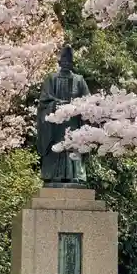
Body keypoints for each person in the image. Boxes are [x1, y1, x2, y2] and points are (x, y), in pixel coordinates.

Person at [36, 45, 89, 186]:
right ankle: (54, 175)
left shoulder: (79, 80)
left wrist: (78, 107)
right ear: (59, 62)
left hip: (74, 122)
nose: (66, 63)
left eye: (69, 61)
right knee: (56, 147)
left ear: (72, 63)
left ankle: (75, 175)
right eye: (63, 61)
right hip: (55, 124)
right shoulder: (51, 79)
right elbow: (44, 100)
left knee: (74, 145)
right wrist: (56, 105)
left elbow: (88, 102)